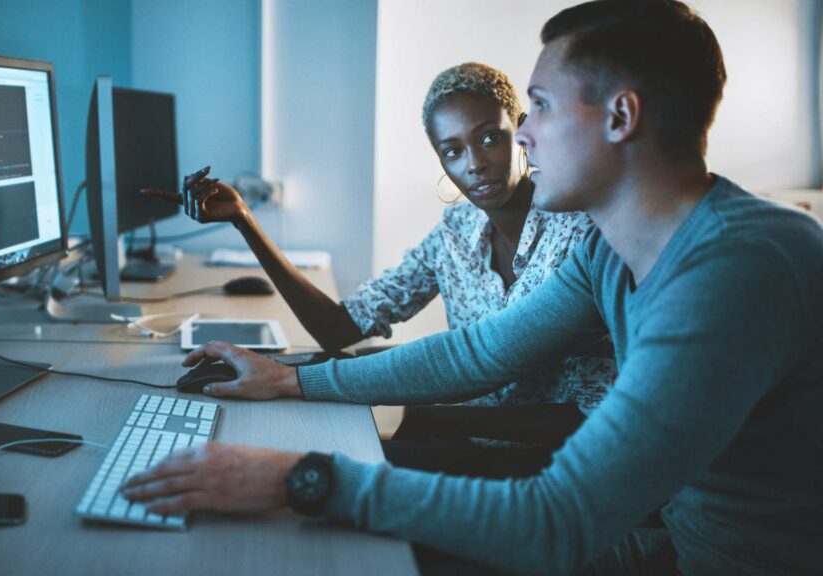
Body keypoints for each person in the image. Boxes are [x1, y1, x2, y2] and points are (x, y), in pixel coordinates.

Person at [122, 1, 823, 574]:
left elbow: (556, 522)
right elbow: (473, 356)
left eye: (539, 108)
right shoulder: (613, 251)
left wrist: (299, 477)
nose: (525, 139)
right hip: (665, 536)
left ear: (621, 117)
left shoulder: (739, 268)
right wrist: (292, 382)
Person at [148, 64, 616, 476]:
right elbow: (340, 328)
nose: (473, 163)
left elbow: (552, 396)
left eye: (489, 137)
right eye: (451, 150)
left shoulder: (582, 232)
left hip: (565, 461)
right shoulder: (456, 230)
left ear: (522, 129)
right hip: (473, 440)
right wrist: (244, 220)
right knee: (328, 414)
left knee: (333, 463)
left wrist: (434, 416)